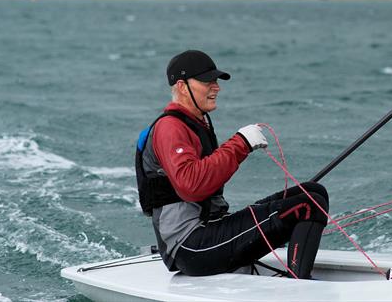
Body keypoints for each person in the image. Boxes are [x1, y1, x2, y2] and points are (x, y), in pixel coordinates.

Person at [135, 49, 329, 278]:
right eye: (207, 81)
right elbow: (191, 184)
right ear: (181, 86)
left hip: (211, 230)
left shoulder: (197, 122)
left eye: (215, 80)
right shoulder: (170, 128)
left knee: (314, 191)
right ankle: (300, 288)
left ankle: (296, 270)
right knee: (308, 206)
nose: (216, 87)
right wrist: (241, 144)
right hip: (189, 246)